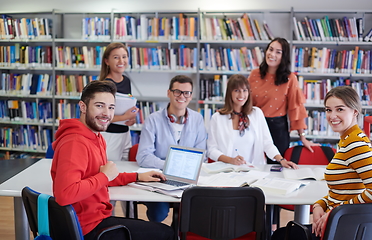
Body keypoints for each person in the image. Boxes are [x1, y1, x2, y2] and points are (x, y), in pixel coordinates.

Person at [51, 80, 174, 240]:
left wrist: (136, 177)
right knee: (167, 234)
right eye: (100, 106)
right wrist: (104, 177)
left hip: (95, 219)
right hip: (85, 228)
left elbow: (101, 177)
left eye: (111, 107)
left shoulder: (96, 136)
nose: (107, 114)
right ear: (83, 107)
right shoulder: (75, 142)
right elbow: (65, 194)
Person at [272, 86, 372, 240]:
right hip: (337, 224)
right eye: (328, 110)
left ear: (355, 112)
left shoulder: (356, 145)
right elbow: (342, 191)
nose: (332, 116)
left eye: (339, 109)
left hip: (343, 228)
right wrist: (321, 204)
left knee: (279, 236)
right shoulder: (346, 141)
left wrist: (336, 212)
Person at [136, 75, 207, 222]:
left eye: (186, 93)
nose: (182, 96)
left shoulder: (198, 119)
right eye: (177, 92)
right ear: (169, 93)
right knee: (158, 213)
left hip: (188, 179)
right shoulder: (153, 120)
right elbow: (143, 156)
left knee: (192, 214)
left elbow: (202, 155)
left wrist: (182, 169)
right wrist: (170, 167)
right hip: (159, 178)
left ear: (191, 95)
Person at [248, 37, 319, 164]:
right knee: (253, 166)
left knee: (276, 169)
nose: (272, 54)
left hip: (277, 129)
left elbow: (295, 108)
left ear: (284, 56)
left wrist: (302, 137)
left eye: (278, 52)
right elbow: (245, 102)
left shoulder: (290, 79)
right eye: (270, 49)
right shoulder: (254, 74)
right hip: (255, 126)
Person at [207, 74, 297, 168]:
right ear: (230, 93)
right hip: (226, 171)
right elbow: (212, 150)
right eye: (237, 91)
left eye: (245, 90)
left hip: (253, 171)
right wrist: (231, 160)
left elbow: (267, 143)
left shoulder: (256, 113)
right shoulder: (217, 118)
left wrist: (281, 160)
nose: (241, 95)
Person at [99, 42, 138, 162]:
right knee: (112, 170)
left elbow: (126, 106)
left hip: (125, 134)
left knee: (125, 169)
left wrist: (130, 119)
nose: (121, 61)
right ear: (107, 61)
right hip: (110, 136)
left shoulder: (126, 81)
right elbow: (100, 117)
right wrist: (124, 116)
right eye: (116, 57)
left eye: (124, 56)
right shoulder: (104, 85)